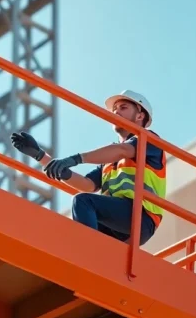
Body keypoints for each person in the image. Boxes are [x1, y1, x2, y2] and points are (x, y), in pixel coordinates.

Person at [10, 89, 166, 245]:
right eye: (114, 109)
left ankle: (88, 251)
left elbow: (123, 150)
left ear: (140, 116)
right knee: (65, 233)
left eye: (123, 107)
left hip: (142, 216)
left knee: (83, 202)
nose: (116, 112)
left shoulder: (148, 140)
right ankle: (88, 252)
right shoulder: (110, 160)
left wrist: (76, 159)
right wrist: (41, 157)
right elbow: (87, 185)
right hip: (119, 220)